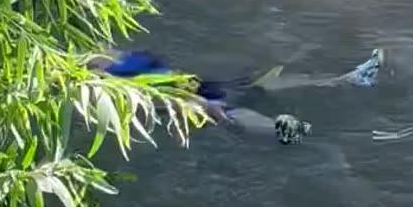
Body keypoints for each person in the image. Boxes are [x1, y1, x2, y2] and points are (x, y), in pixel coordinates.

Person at [97, 48, 385, 145]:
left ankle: (347, 81)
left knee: (256, 86)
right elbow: (143, 96)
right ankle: (288, 132)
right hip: (188, 98)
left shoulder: (105, 57)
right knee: (226, 112)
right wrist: (197, 104)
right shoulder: (100, 78)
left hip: (196, 86)